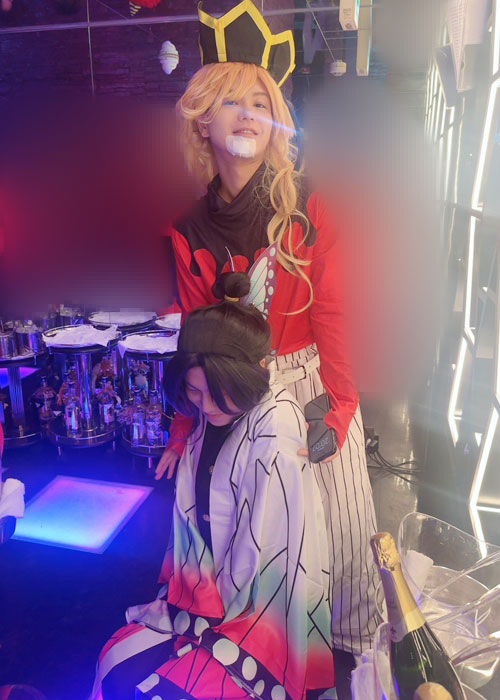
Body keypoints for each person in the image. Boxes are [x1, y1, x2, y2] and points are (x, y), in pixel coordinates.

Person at [155, 2, 379, 697]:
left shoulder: (311, 204)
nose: (249, 114)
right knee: (250, 544)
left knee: (342, 541)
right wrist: (184, 429)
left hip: (311, 386)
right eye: (232, 101)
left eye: (261, 102)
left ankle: (351, 668)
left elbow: (335, 311)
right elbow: (196, 335)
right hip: (233, 394)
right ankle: (260, 661)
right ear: (202, 122)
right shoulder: (188, 229)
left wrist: (340, 405)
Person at [91, 272, 334, 700]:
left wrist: (213, 622)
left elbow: (276, 570)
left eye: (216, 394)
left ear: (254, 375)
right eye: (194, 391)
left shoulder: (277, 433)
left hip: (261, 624)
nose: (205, 407)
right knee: (112, 659)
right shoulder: (216, 412)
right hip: (206, 598)